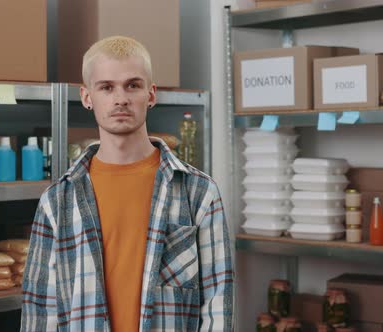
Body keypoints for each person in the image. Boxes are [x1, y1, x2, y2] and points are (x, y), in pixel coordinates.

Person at [21, 36, 234, 332]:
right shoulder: (57, 201)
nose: (120, 98)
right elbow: (40, 311)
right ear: (86, 97)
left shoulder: (198, 193)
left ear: (151, 94)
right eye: (106, 87)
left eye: (132, 85)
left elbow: (217, 302)